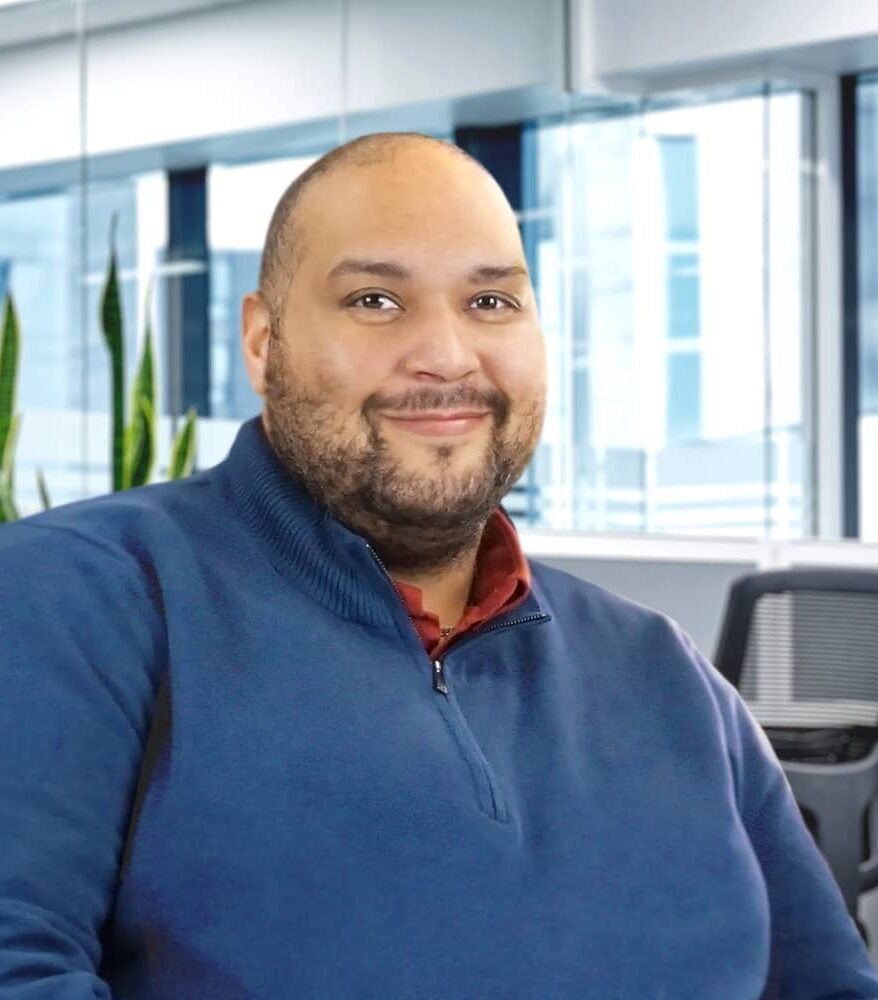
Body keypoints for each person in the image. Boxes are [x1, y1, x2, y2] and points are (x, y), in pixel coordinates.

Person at [0, 132, 875, 1000]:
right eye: (376, 300)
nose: (449, 356)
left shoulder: (668, 678)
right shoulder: (80, 597)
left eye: (492, 303)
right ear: (264, 343)